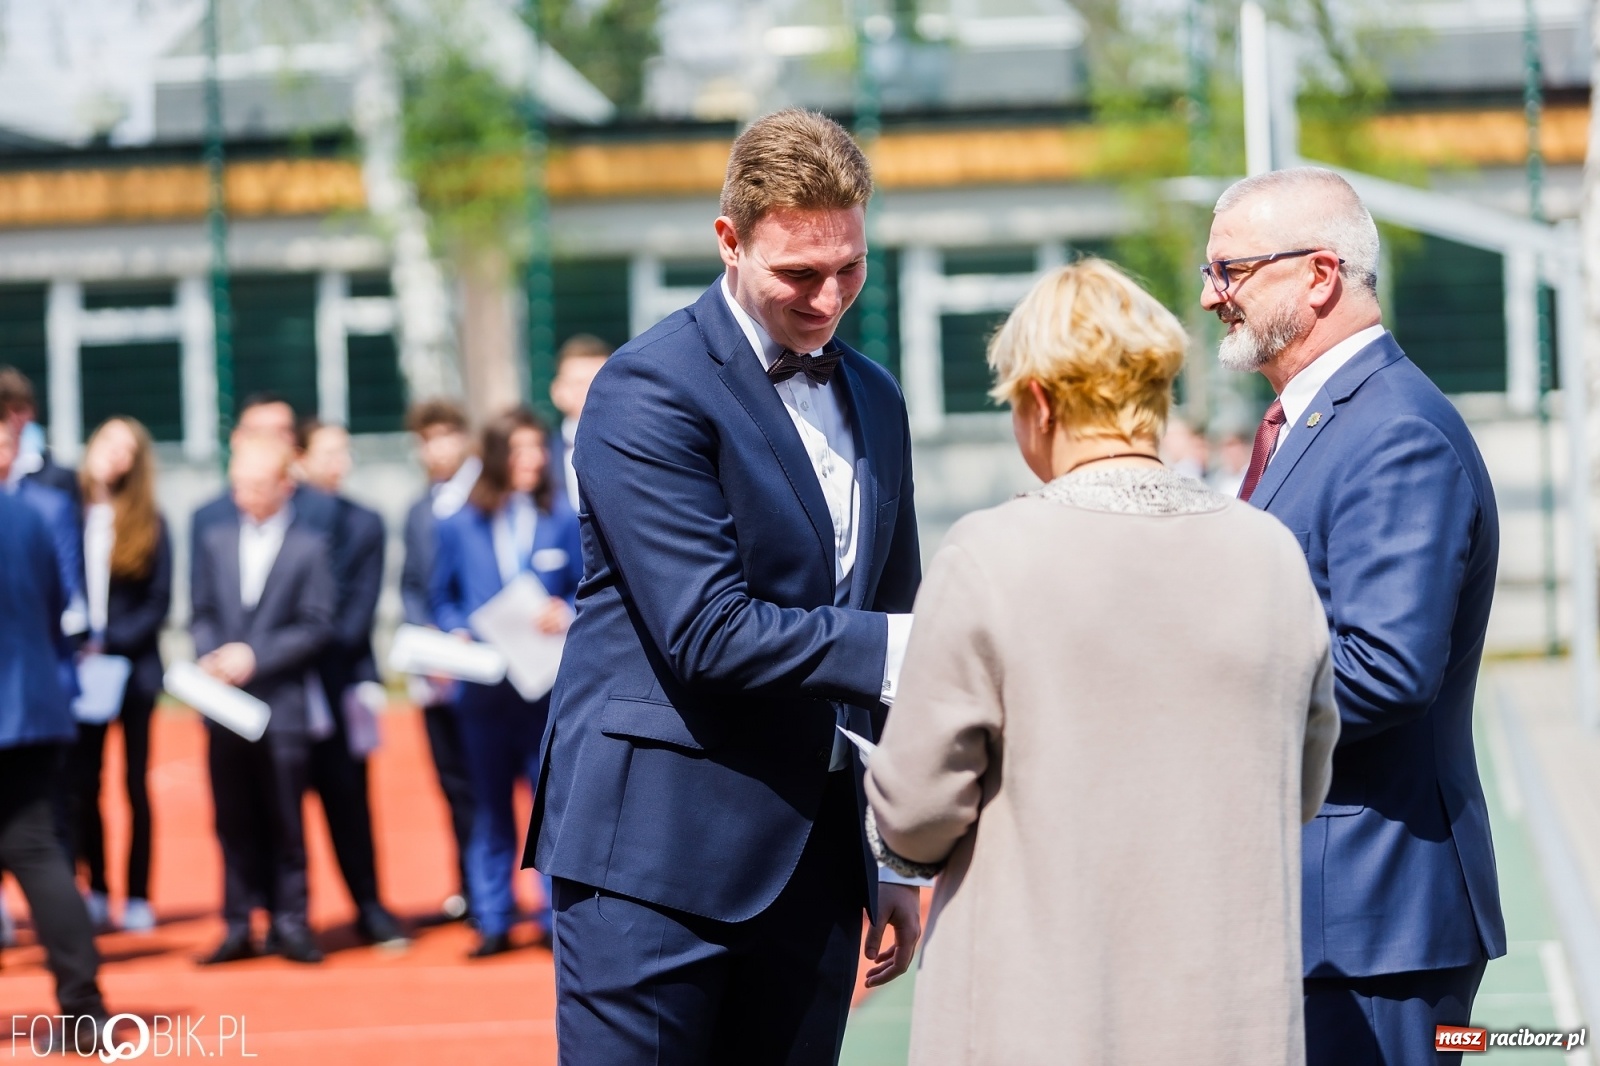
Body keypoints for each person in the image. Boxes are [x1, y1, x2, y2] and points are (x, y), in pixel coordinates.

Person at [864, 259, 1340, 1066]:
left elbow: (915, 808)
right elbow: (1304, 778)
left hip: (1039, 1014)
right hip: (1229, 1013)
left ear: (1041, 402)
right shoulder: (1268, 552)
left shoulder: (991, 554)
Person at [529, 108, 924, 1064]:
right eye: (798, 273)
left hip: (817, 861)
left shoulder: (876, 395)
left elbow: (887, 605)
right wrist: (914, 645)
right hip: (652, 863)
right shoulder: (646, 389)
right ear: (729, 241)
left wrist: (899, 857)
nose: (830, 298)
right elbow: (707, 630)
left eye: (851, 267)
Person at [1202, 167, 1503, 1065]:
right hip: (1329, 915)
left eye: (1231, 271)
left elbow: (1384, 670)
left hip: (1376, 926)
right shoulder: (1324, 422)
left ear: (1320, 275)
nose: (1214, 296)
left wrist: (1195, 710)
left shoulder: (1394, 432)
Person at [430, 407, 582, 958]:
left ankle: (549, 917)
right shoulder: (458, 523)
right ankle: (492, 917)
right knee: (489, 808)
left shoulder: (563, 516)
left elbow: (588, 589)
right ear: (494, 457)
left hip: (546, 692)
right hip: (484, 692)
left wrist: (564, 609)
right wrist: (458, 632)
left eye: (537, 449)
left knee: (551, 807)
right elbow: (441, 599)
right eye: (518, 451)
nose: (533, 460)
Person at [190, 435, 334, 965]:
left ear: (284, 486)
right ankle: (236, 923)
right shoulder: (215, 541)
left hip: (283, 707)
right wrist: (213, 655)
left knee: (284, 818)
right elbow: (201, 611)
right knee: (231, 819)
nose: (243, 495)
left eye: (254, 485)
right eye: (237, 485)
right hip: (223, 707)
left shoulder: (310, 546)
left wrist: (254, 656)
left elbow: (317, 626)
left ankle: (291, 922)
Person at [0, 421, 110, 1055]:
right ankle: (83, 1006)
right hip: (37, 708)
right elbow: (55, 608)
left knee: (39, 856)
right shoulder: (33, 515)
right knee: (40, 856)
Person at [296, 419, 408, 948]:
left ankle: (368, 905)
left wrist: (295, 644)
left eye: (345, 451)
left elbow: (355, 611)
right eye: (328, 452)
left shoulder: (363, 522)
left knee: (350, 800)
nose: (339, 461)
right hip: (279, 686)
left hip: (339, 682)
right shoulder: (276, 517)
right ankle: (286, 918)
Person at [66, 417, 171, 936]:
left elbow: (159, 602)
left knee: (135, 783)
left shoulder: (150, 520)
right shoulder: (69, 512)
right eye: (109, 443)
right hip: (80, 670)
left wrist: (110, 641)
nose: (115, 457)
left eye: (128, 450)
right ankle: (99, 886)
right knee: (84, 783)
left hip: (133, 669)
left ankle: (139, 894)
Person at [399, 398, 480, 922]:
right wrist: (425, 636)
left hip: (480, 663)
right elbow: (410, 584)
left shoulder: (485, 498)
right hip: (434, 668)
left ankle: (509, 892)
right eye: (427, 439)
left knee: (501, 783)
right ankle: (470, 888)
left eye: (446, 435)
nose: (437, 448)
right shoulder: (417, 509)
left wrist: (460, 633)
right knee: (452, 782)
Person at [547, 333, 611, 513]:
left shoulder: (634, 450)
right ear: (557, 391)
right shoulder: (541, 456)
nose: (590, 392)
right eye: (579, 383)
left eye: (598, 382)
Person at [0, 366, 80, 505]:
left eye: (18, 409)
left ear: (33, 412)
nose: (10, 418)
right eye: (2, 412)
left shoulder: (58, 477)